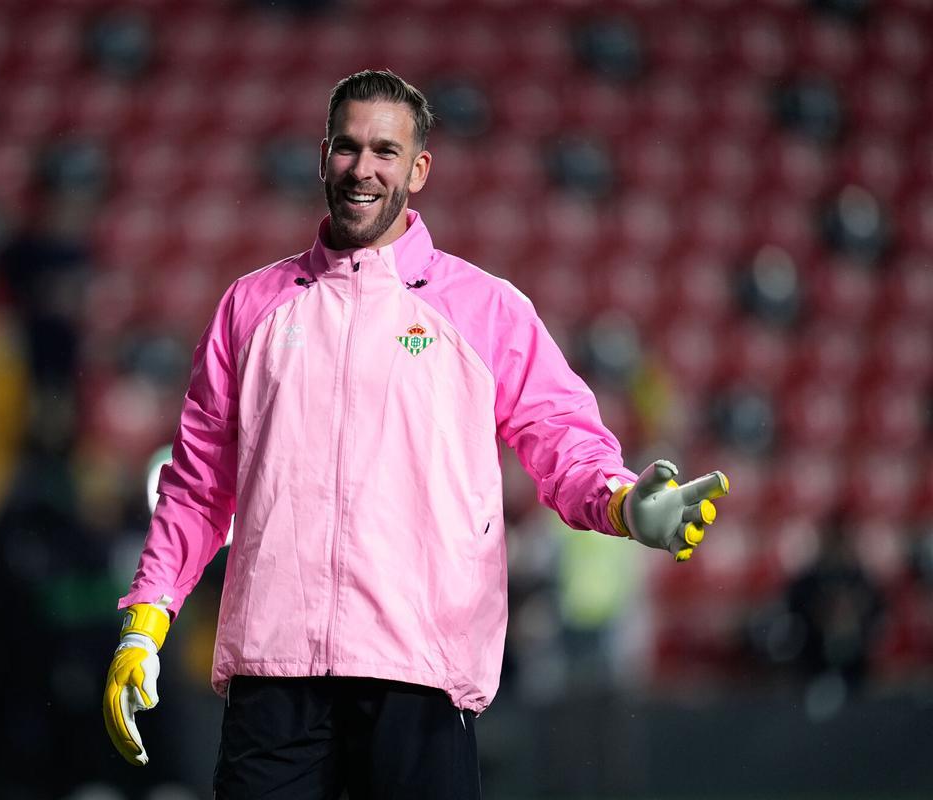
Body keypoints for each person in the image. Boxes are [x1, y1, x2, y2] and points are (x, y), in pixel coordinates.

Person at [102, 70, 729, 799]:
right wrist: (146, 620)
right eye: (347, 147)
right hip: (273, 677)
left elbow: (562, 441)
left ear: (419, 168)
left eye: (385, 151)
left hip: (420, 675)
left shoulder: (485, 309)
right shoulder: (252, 306)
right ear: (322, 156)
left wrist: (622, 503)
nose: (362, 168)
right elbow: (198, 483)